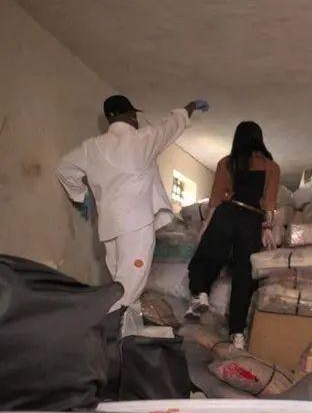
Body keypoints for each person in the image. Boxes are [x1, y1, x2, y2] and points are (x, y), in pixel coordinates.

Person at [56, 95, 209, 312]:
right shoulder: (142, 139)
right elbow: (172, 125)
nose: (136, 119)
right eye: (134, 115)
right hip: (136, 226)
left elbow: (64, 167)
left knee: (120, 283)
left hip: (109, 228)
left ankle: (123, 332)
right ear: (128, 116)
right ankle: (107, 332)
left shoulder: (91, 147)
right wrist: (190, 107)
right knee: (128, 289)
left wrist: (80, 196)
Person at [186, 121, 280, 349]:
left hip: (227, 214)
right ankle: (237, 333)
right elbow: (269, 205)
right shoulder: (271, 166)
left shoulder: (227, 162)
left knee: (208, 255)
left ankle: (201, 293)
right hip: (251, 219)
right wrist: (267, 229)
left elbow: (216, 199)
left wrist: (206, 227)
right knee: (244, 274)